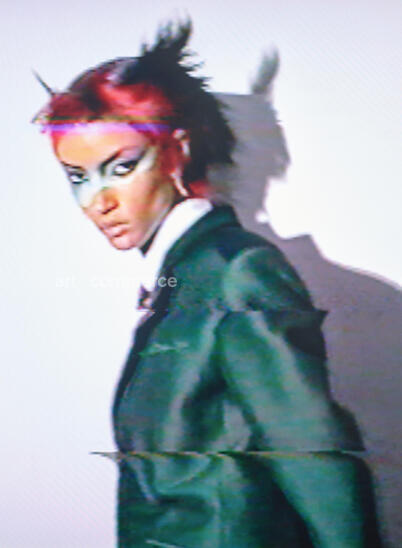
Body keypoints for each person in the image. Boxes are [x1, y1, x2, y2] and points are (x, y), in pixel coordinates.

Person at [33, 21, 382, 548]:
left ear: (177, 150)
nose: (97, 202)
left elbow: (318, 463)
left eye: (121, 167)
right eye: (78, 177)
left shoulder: (236, 272)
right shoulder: (185, 278)